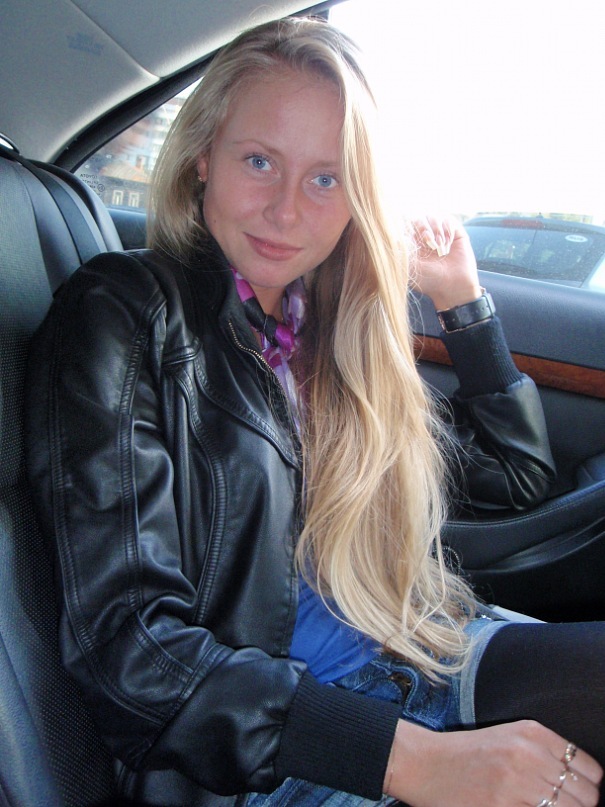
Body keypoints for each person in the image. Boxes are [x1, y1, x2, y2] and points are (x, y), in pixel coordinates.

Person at [25, 15, 604, 807]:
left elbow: (513, 479)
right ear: (203, 157)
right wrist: (418, 762)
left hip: (418, 650)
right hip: (279, 753)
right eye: (259, 161)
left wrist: (461, 301)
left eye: (326, 178)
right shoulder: (127, 314)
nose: (286, 209)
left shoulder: (329, 333)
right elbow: (129, 647)